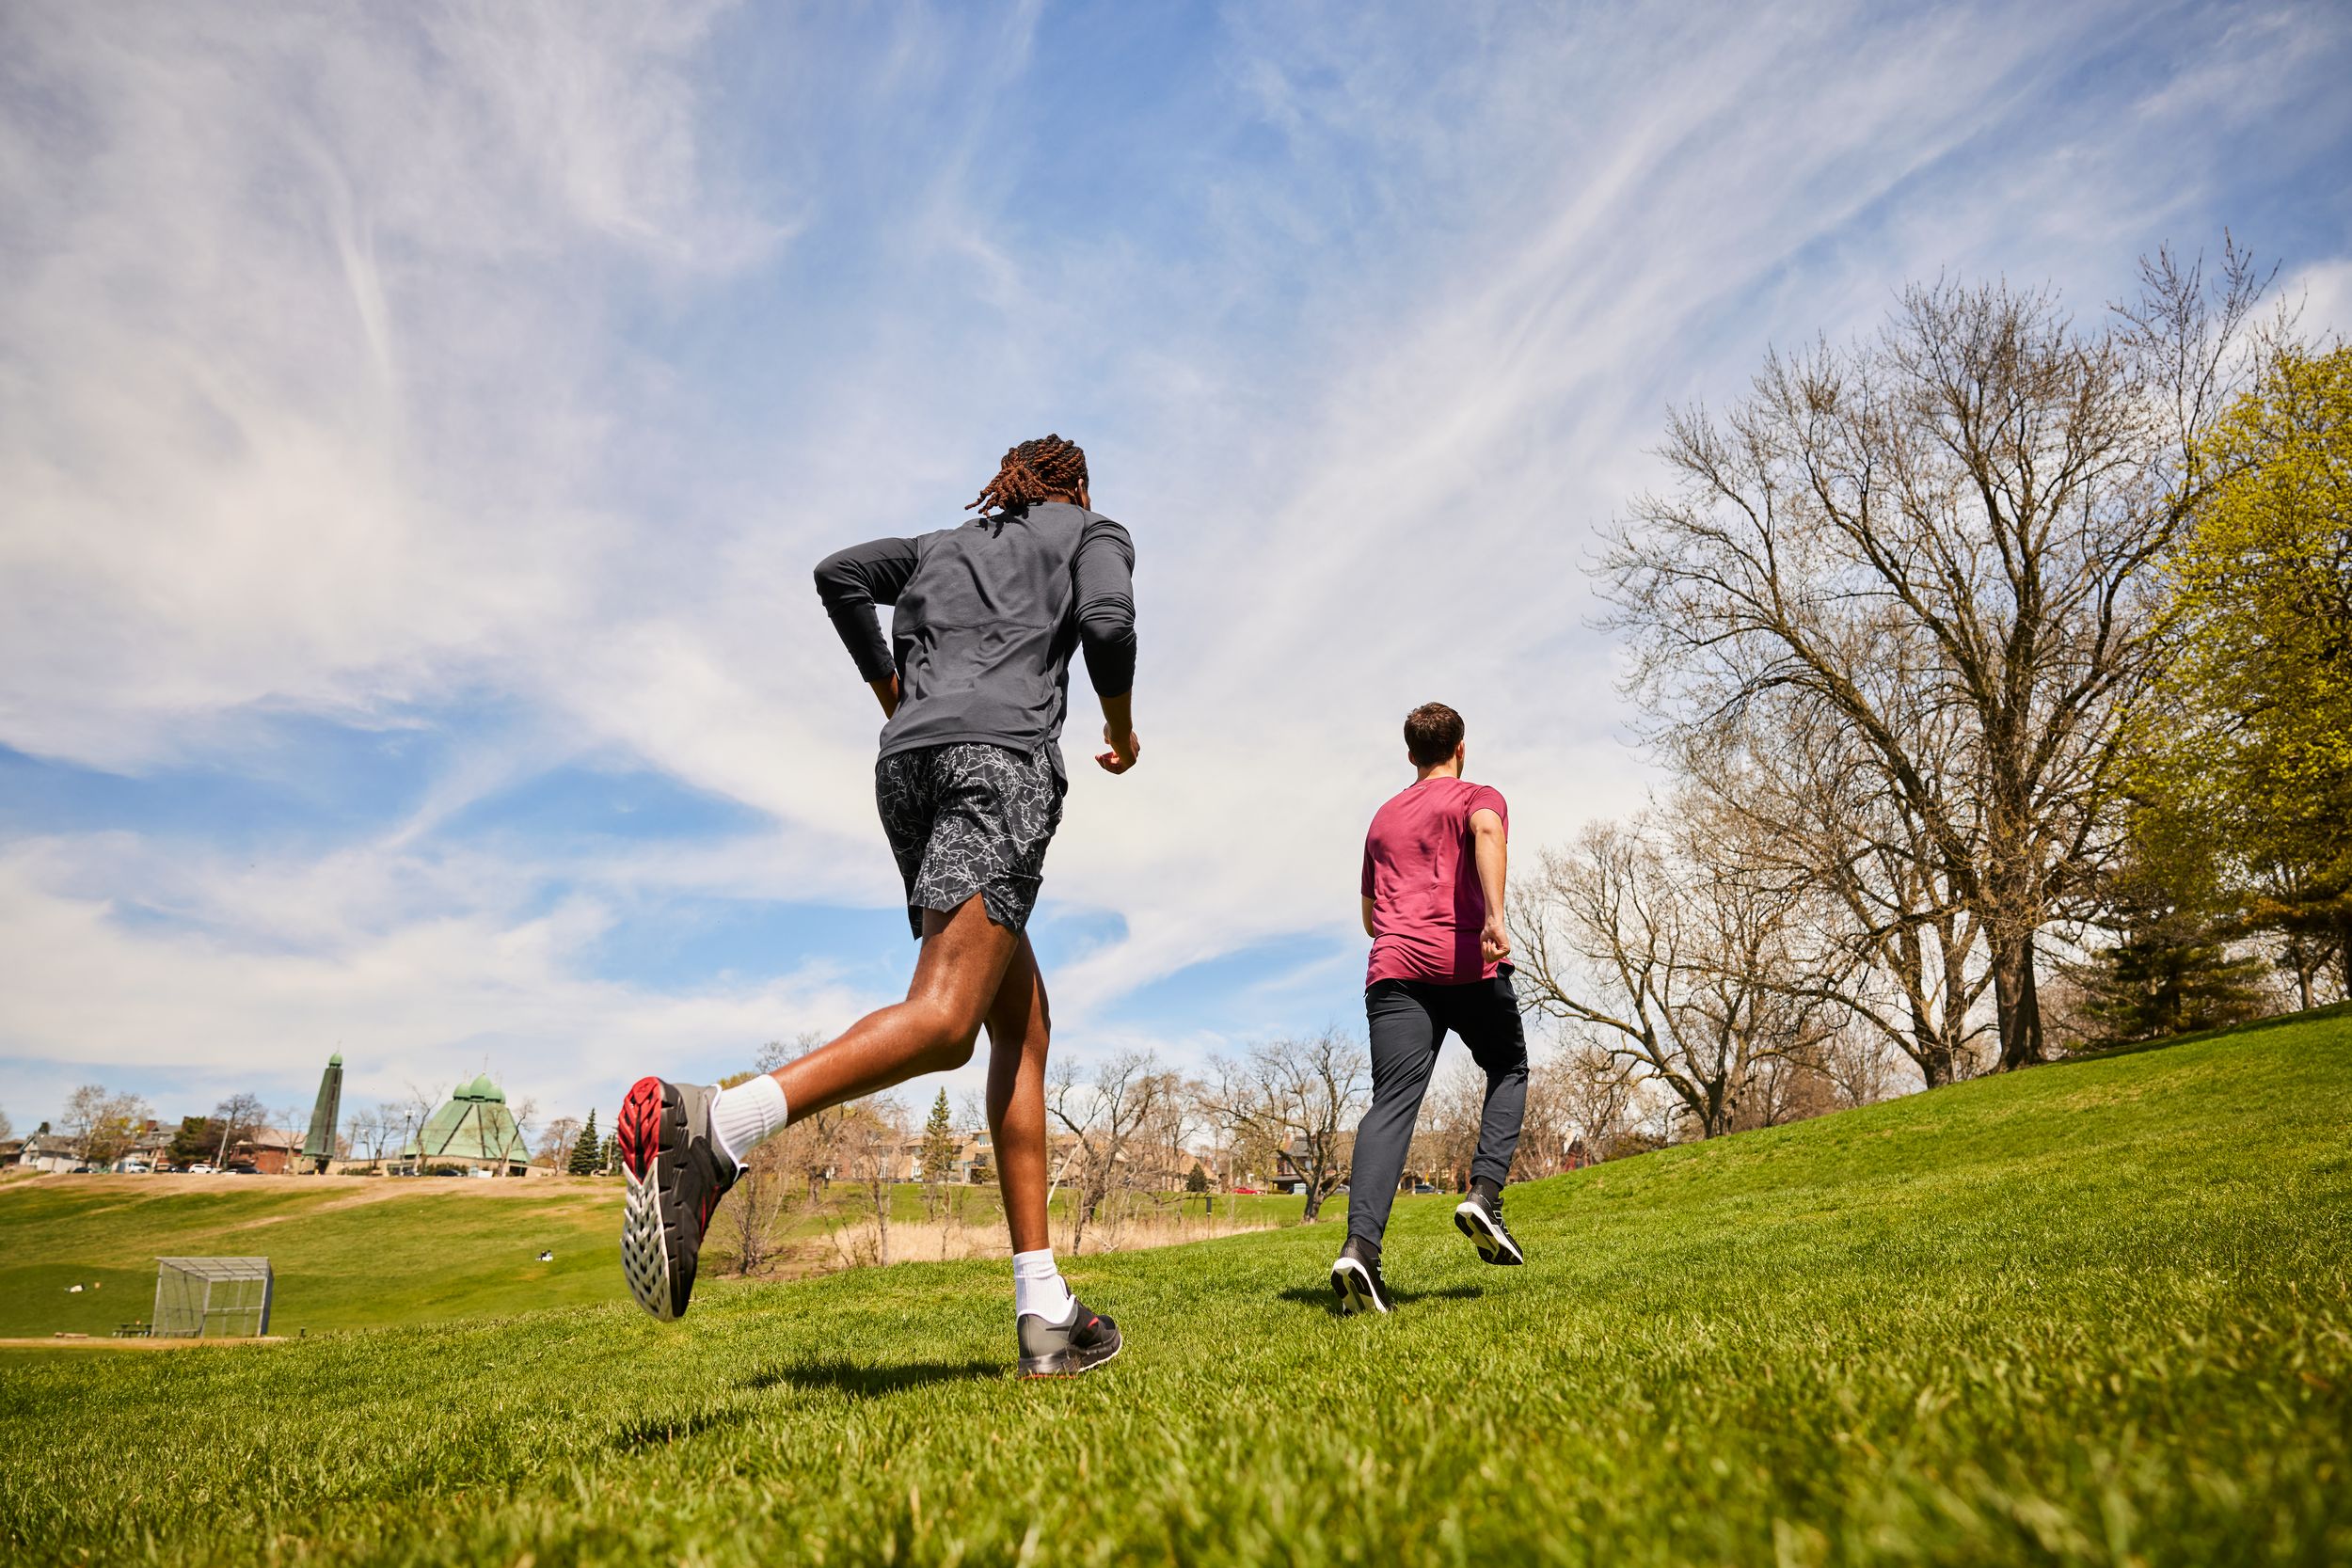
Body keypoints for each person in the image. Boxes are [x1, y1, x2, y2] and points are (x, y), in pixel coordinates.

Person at [617, 435, 1140, 1378]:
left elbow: (842, 573)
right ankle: (718, 1126)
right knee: (945, 1019)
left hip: (907, 767)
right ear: (1079, 486)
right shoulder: (1091, 529)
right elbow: (1107, 622)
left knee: (1019, 1022)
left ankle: (1046, 1309)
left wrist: (892, 691)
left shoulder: (944, 543)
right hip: (1000, 763)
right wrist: (1119, 725)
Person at [1330, 702, 1528, 1314]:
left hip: (1393, 970)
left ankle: (1360, 1248)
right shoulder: (1477, 794)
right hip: (1465, 961)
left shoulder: (1383, 818)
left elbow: (1369, 917)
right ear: (1460, 748)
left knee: (1391, 1106)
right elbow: (1488, 832)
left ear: (1410, 754)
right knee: (1509, 1066)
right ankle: (1484, 1194)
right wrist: (1493, 917)